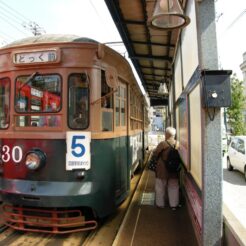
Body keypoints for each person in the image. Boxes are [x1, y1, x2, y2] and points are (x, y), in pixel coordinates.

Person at [152, 126, 180, 210]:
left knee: (160, 187)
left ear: (166, 134)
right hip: (173, 169)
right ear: (174, 135)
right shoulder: (178, 144)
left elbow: (155, 154)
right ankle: (173, 205)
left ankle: (160, 204)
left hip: (162, 169)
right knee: (173, 187)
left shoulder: (162, 144)